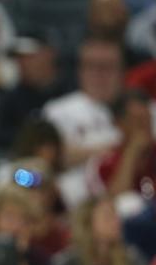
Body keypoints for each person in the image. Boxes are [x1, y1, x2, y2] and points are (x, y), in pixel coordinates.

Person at [42, 38, 123, 207]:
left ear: (122, 70)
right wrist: (121, 147)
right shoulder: (58, 110)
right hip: (73, 202)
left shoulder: (145, 110)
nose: (99, 74)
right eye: (91, 66)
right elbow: (53, 157)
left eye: (107, 67)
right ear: (80, 70)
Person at [52, 197, 146, 265]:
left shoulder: (132, 260)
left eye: (116, 215)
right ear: (87, 223)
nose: (117, 221)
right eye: (108, 217)